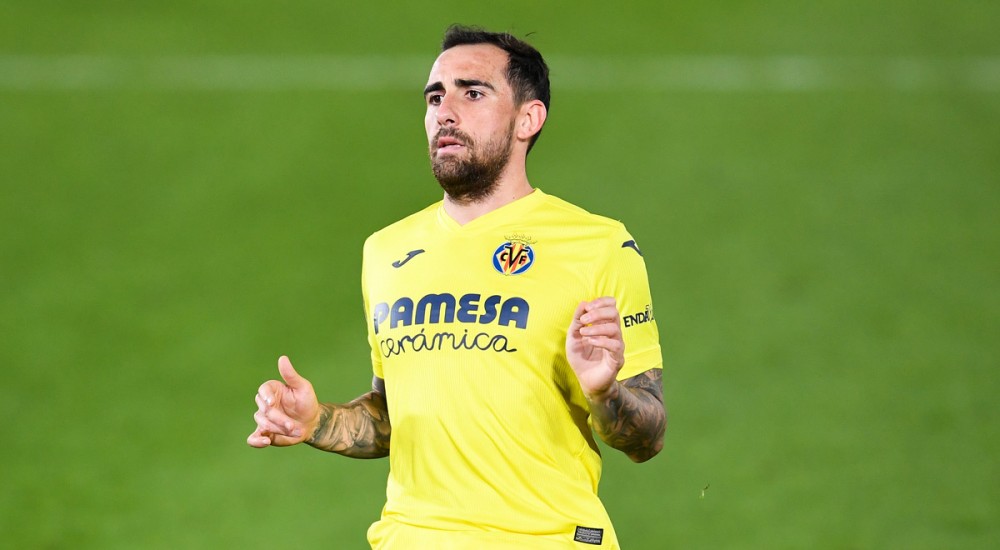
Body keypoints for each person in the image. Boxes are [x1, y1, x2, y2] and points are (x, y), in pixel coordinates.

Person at [248, 25, 666, 549]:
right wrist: (315, 420)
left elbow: (648, 438)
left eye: (472, 93)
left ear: (528, 119)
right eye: (434, 97)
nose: (445, 111)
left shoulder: (598, 245)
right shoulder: (386, 250)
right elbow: (393, 414)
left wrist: (604, 391)